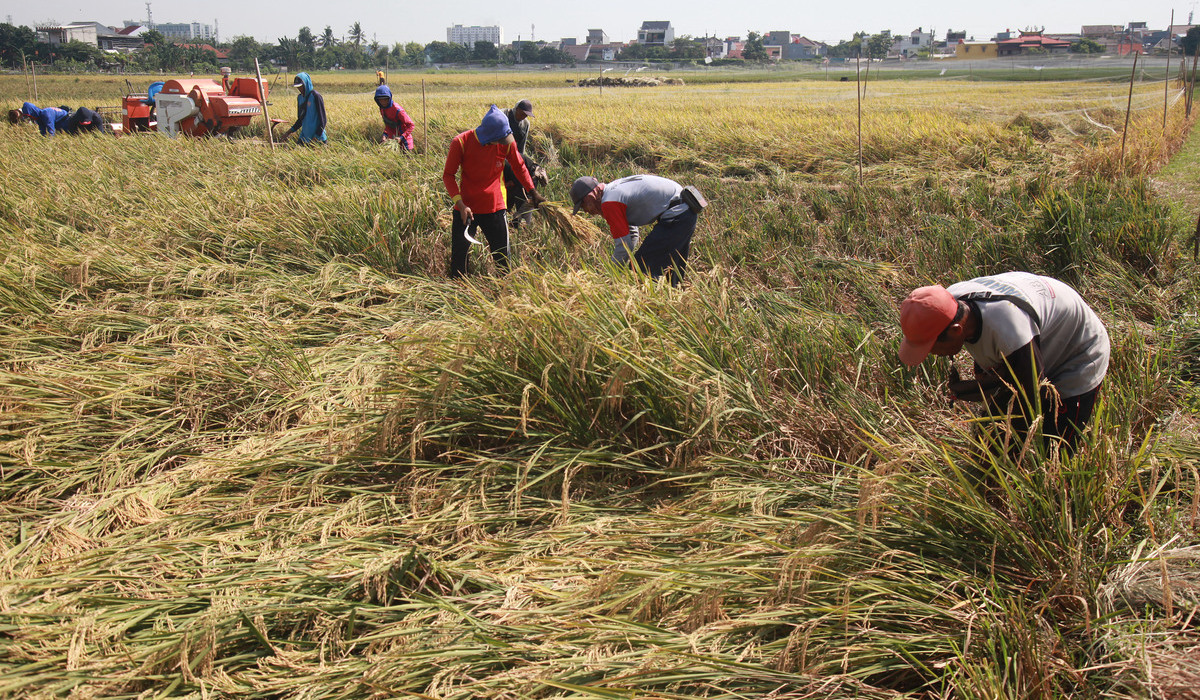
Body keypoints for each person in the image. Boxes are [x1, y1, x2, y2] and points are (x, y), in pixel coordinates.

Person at [898, 272, 1110, 454]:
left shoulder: (1009, 330)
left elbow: (1027, 403)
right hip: (1040, 334)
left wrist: (996, 460)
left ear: (956, 330)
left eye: (930, 347)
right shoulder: (949, 304)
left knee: (1056, 448)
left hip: (1077, 354)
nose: (930, 354)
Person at [443, 104, 546, 278]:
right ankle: (458, 287)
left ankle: (504, 289)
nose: (502, 143)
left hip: (495, 207)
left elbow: (519, 166)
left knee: (503, 260)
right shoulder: (461, 142)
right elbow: (448, 175)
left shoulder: (505, 142)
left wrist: (533, 191)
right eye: (499, 140)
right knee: (459, 259)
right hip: (466, 209)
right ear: (488, 136)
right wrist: (460, 204)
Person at [569, 174, 704, 284]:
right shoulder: (613, 192)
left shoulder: (609, 202)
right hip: (685, 212)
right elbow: (632, 235)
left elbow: (623, 245)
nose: (586, 211)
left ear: (590, 197)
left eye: (582, 206)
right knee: (672, 275)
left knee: (641, 271)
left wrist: (610, 274)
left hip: (677, 216)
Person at [502, 99, 547, 228]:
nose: (524, 117)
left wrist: (516, 161)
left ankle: (520, 225)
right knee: (507, 195)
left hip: (517, 161)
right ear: (516, 109)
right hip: (503, 157)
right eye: (522, 113)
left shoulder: (525, 124)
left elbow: (521, 148)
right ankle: (509, 223)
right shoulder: (503, 116)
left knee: (523, 197)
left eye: (526, 115)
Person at [282, 73, 327, 145]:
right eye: (298, 87)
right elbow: (300, 119)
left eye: (301, 87)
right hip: (305, 137)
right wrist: (288, 132)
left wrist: (316, 137)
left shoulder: (315, 96)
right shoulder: (300, 98)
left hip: (318, 139)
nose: (299, 89)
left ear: (306, 84)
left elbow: (323, 120)